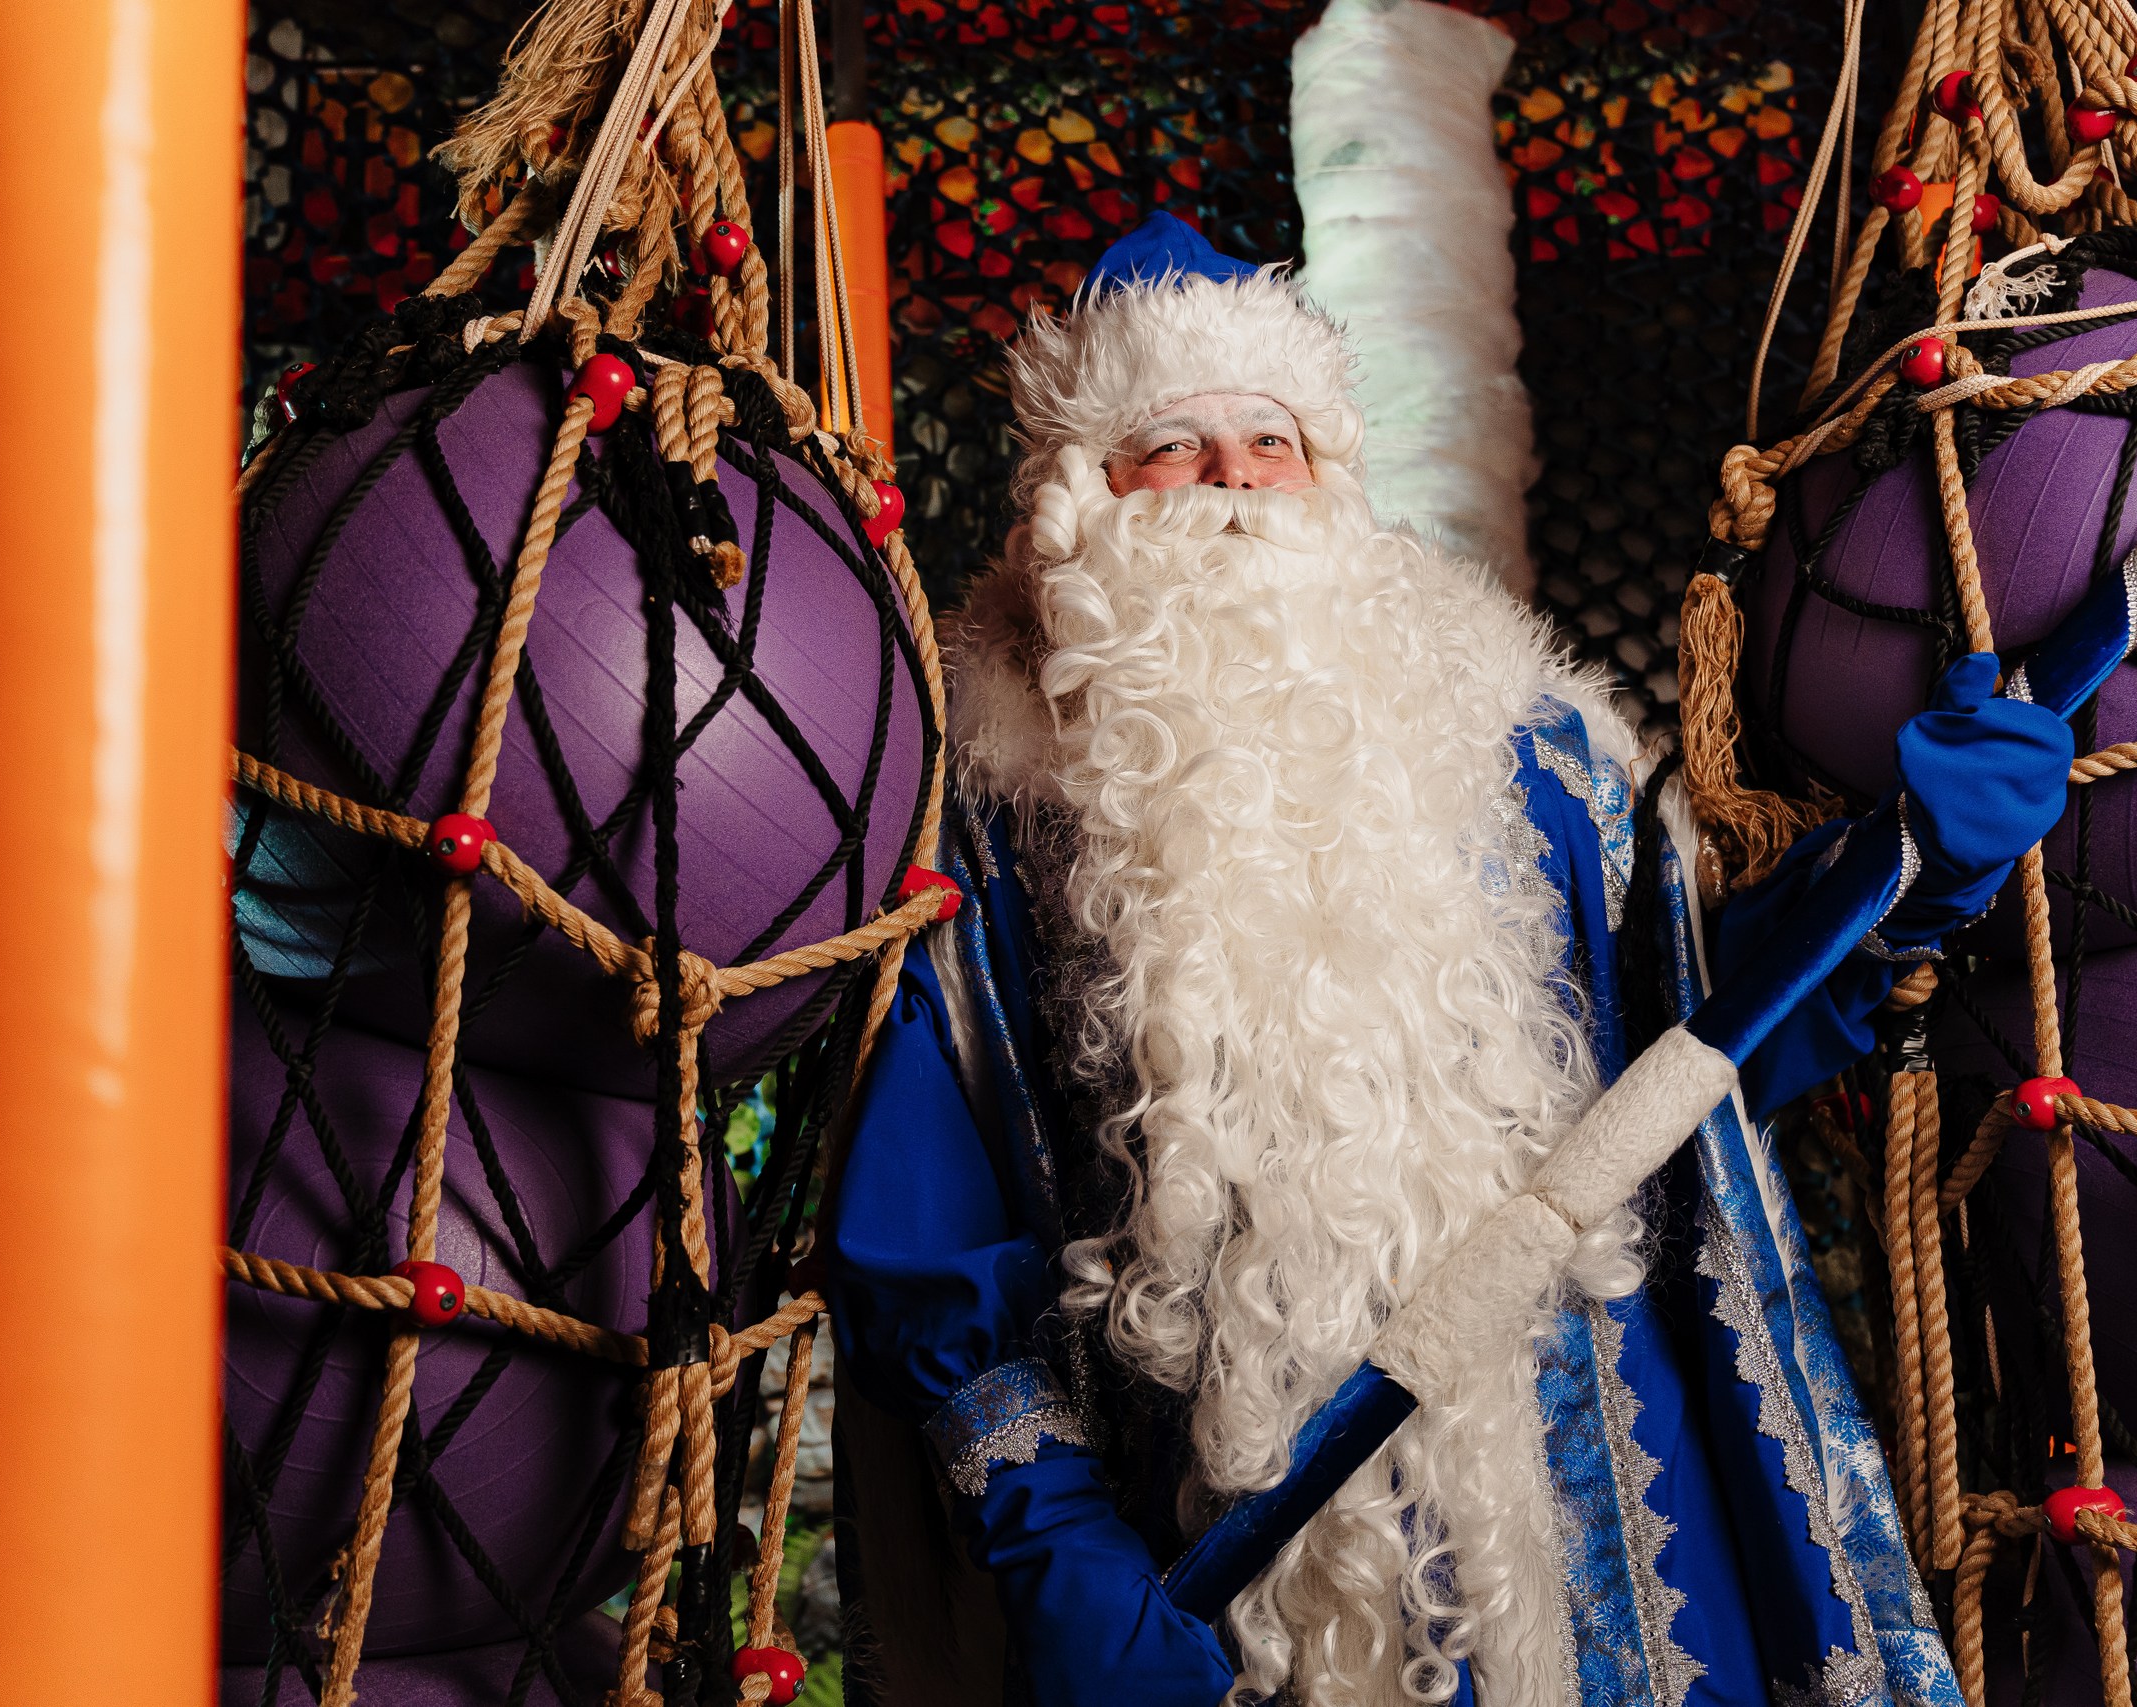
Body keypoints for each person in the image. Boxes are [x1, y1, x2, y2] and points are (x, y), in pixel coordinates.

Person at [823, 212, 2066, 1707]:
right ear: (1080, 494)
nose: (1234, 483)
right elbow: (924, 1222)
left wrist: (1905, 876)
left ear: (1330, 475)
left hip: (1612, 1525)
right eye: (1173, 445)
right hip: (1202, 1578)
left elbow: (1704, 1044)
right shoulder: (978, 823)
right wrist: (1053, 1543)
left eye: (1271, 441)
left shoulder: (1534, 759)